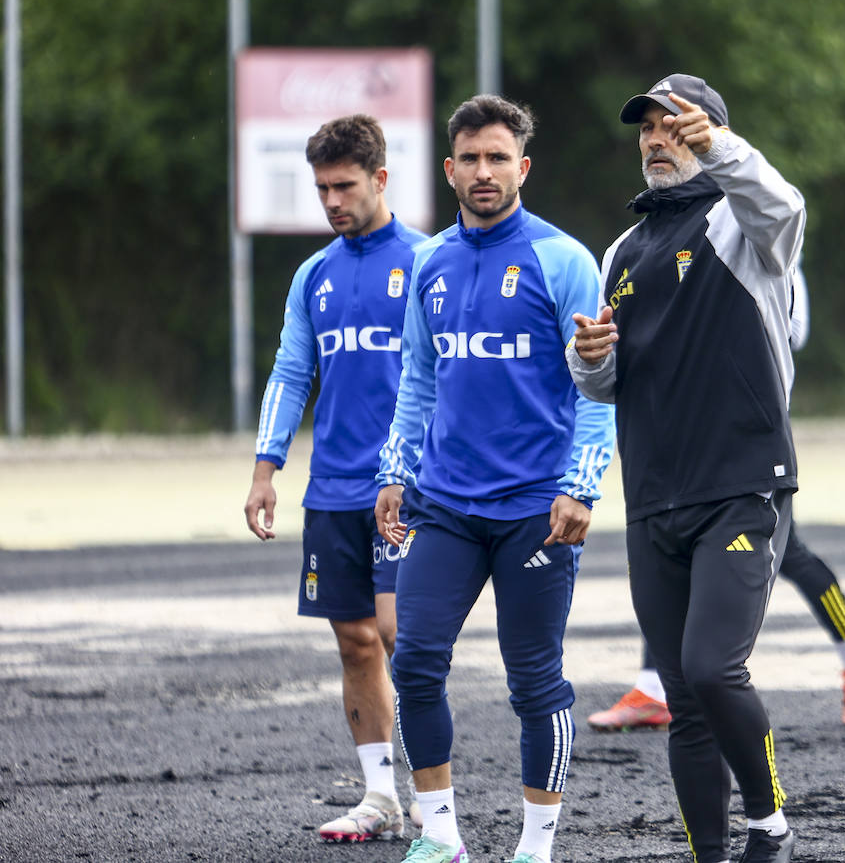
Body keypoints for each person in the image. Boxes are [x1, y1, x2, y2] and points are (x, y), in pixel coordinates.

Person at [568, 74, 805, 863]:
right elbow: (606, 383)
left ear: (707, 135)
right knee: (682, 698)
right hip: (653, 501)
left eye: (674, 127)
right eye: (647, 130)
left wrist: (722, 149)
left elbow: (786, 205)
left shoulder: (743, 225)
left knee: (713, 668)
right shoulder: (621, 251)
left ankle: (769, 822)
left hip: (742, 488)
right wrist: (587, 359)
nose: (655, 140)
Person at [374, 95, 615, 863]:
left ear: (524, 167)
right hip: (444, 503)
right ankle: (438, 834)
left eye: (498, 158)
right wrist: (394, 471)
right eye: (471, 159)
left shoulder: (565, 260)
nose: (484, 171)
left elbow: (599, 387)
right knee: (413, 659)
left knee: (534, 679)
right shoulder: (428, 263)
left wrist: (580, 486)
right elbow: (417, 379)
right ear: (450, 169)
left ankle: (535, 846)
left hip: (534, 510)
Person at [590, 264, 845, 733]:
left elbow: (793, 330)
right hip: (681, 443)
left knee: (791, 552)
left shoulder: (761, 243)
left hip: (743, 447)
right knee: (669, 549)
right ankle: (653, 686)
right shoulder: (653, 247)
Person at [243, 114, 429, 842]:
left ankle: (431, 793)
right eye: (321, 188)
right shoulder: (313, 274)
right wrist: (266, 471)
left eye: (344, 186)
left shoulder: (426, 262)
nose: (331, 201)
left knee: (398, 633)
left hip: (407, 489)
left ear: (380, 179)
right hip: (333, 492)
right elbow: (292, 373)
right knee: (354, 641)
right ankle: (380, 796)